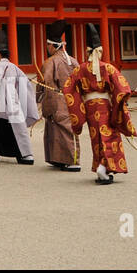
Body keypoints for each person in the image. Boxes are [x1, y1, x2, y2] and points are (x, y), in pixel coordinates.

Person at [62, 25, 137, 186]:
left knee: (97, 138)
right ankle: (103, 168)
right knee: (110, 136)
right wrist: (121, 101)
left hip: (90, 108)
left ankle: (101, 166)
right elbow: (122, 87)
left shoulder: (80, 69)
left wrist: (79, 106)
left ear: (87, 51)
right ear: (100, 51)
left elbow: (68, 88)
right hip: (105, 107)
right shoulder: (108, 67)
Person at [0, 28, 39, 165]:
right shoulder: (14, 66)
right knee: (17, 126)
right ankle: (25, 155)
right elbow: (23, 81)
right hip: (13, 99)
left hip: (2, 100)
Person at [37, 20, 80, 172]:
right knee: (63, 130)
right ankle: (58, 159)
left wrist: (39, 99)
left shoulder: (50, 62)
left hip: (57, 100)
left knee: (62, 130)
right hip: (72, 99)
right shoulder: (74, 61)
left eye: (47, 45)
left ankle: (72, 161)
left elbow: (44, 83)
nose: (46, 48)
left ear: (52, 46)